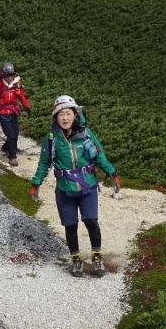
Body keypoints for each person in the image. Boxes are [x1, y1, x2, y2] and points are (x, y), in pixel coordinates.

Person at [29, 95, 120, 277]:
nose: (65, 118)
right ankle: (76, 260)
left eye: (68, 113)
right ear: (56, 118)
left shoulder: (86, 134)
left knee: (91, 221)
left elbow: (99, 155)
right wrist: (36, 183)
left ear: (75, 115)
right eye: (61, 114)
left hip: (88, 188)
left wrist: (113, 173)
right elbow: (44, 164)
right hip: (64, 190)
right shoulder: (51, 139)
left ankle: (96, 257)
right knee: (70, 226)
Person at [0, 61, 31, 166]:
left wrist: (27, 108)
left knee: (15, 134)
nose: (10, 78)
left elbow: (21, 96)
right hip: (2, 113)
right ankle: (12, 156)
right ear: (3, 75)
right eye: (7, 75)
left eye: (11, 75)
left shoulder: (16, 83)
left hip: (13, 112)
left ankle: (6, 148)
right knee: (11, 135)